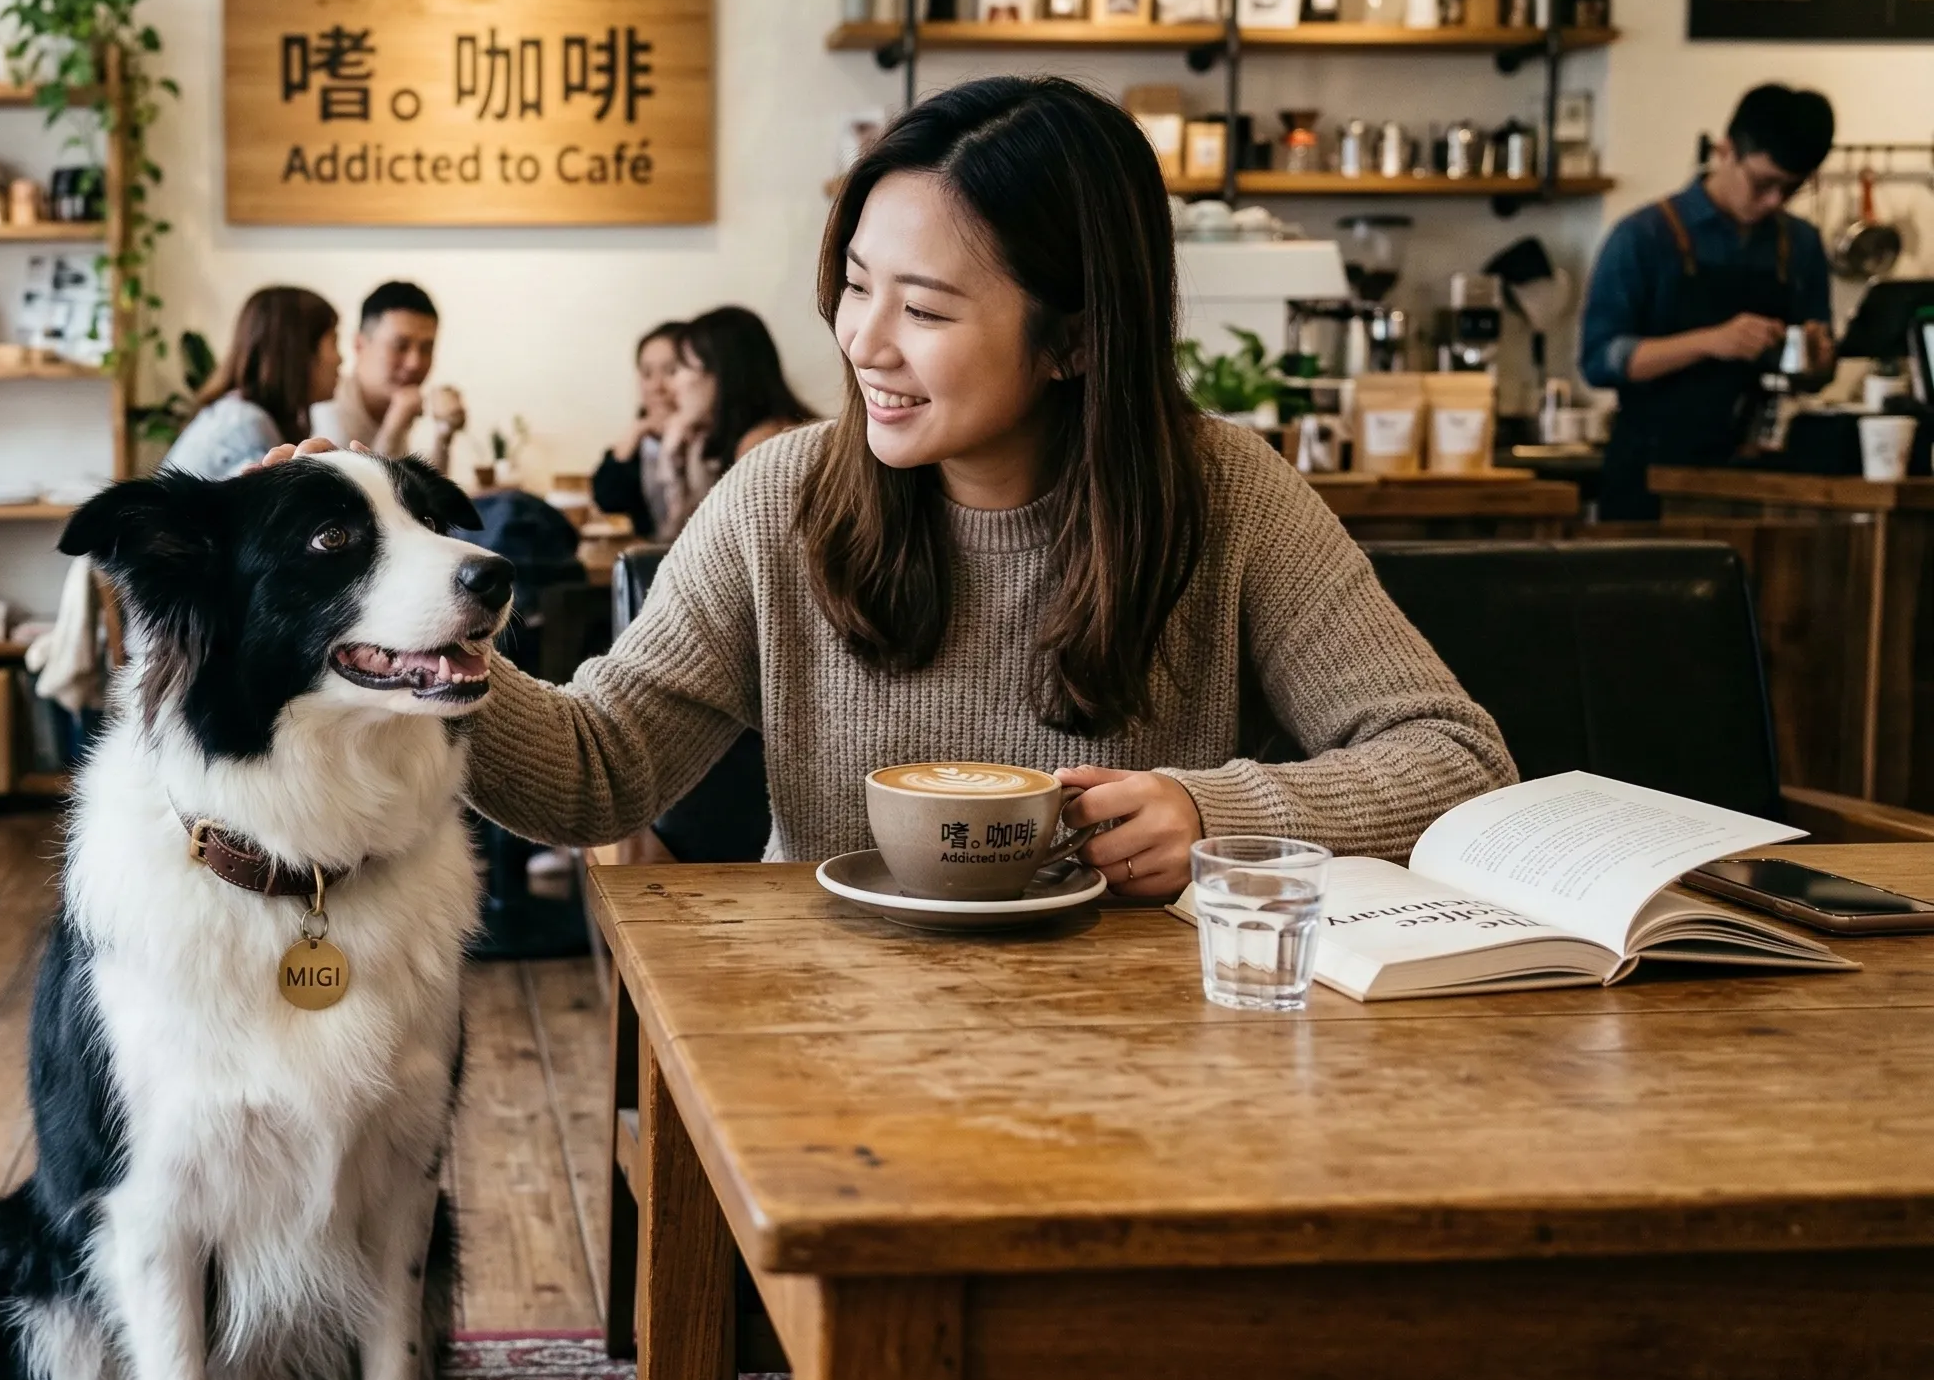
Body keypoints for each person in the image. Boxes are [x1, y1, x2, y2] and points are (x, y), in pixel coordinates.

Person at [264, 75, 1512, 897]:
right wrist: (402, 627)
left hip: (1146, 1048)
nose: (863, 342)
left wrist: (1211, 809)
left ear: (1075, 337)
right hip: (833, 1032)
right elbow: (596, 771)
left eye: (921, 308)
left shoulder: (1222, 495)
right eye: (856, 284)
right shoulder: (784, 499)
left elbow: (1455, 761)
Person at [1581, 83, 1836, 520]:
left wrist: (1818, 358)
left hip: (1757, 471)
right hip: (1650, 471)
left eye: (1790, 189)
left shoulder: (1800, 244)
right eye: (1763, 183)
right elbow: (1602, 359)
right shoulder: (1645, 237)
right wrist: (1710, 341)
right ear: (1725, 151)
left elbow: (1817, 369)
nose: (1773, 200)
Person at [591, 307, 814, 543]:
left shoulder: (763, 448)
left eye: (677, 369)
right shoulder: (718, 442)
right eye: (646, 373)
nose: (668, 385)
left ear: (721, 371)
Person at [160, 286, 340, 481]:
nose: (340, 358)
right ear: (298, 352)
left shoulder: (238, 414)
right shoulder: (246, 428)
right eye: (334, 342)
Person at [311, 280, 466, 469]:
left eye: (426, 348)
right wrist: (395, 426)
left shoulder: (395, 402)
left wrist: (444, 433)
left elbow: (427, 495)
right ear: (360, 345)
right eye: (400, 346)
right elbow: (364, 494)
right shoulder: (327, 407)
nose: (414, 363)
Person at [589, 321, 693, 540]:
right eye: (647, 374)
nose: (656, 386)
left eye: (671, 371)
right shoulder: (640, 443)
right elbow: (607, 500)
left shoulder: (710, 442)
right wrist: (633, 436)